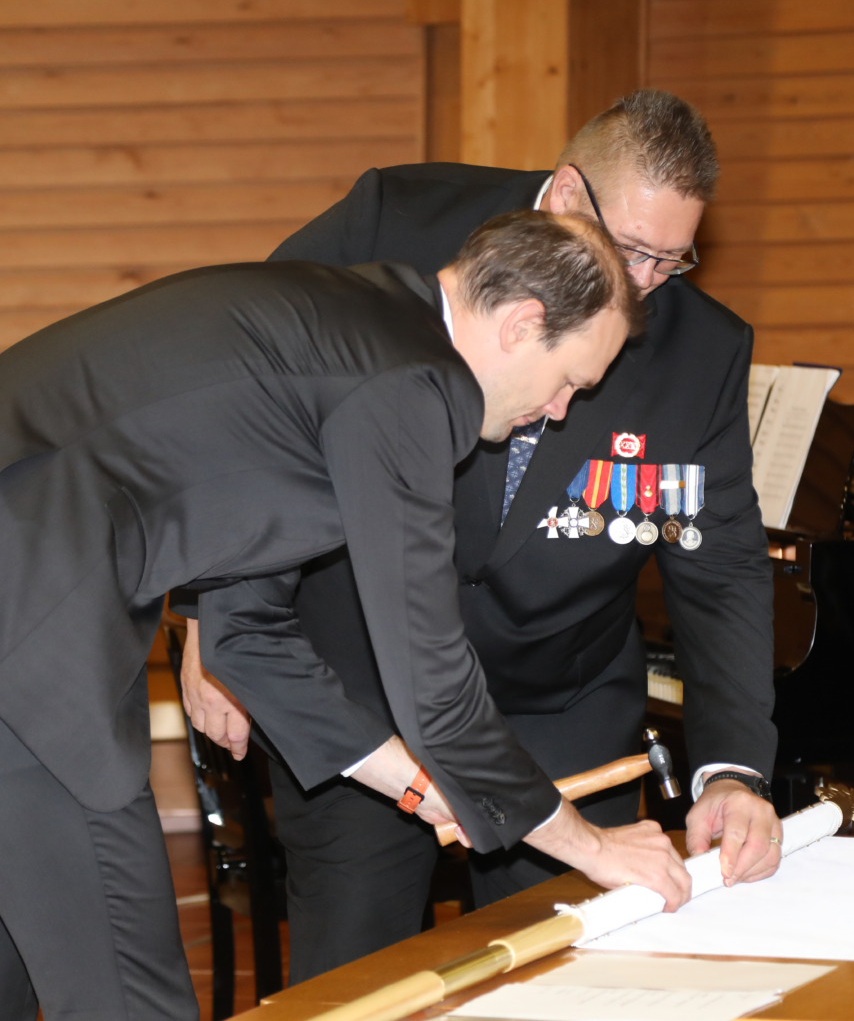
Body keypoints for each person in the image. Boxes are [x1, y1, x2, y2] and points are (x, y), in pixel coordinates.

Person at [0, 210, 682, 1021]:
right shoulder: (410, 382)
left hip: (34, 602)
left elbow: (247, 638)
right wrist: (591, 846)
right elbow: (434, 683)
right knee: (125, 988)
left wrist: (417, 787)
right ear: (521, 324)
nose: (561, 409)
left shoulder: (356, 334)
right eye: (569, 379)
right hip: (31, 623)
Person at [180, 89, 783, 983]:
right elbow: (250, 400)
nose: (647, 282)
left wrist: (732, 772)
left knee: (572, 981)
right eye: (632, 250)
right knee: (361, 982)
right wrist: (214, 619)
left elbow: (720, 569)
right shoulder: (393, 222)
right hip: (364, 693)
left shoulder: (700, 350)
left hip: (560, 703)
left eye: (672, 258)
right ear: (568, 195)